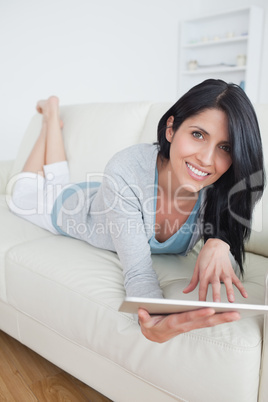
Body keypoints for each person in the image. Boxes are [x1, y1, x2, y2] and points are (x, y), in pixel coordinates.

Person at [9, 79, 265, 343]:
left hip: (112, 194)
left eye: (225, 147)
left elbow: (229, 259)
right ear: (171, 129)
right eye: (198, 134)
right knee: (23, 192)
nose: (207, 159)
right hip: (69, 206)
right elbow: (138, 273)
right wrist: (152, 317)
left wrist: (219, 243)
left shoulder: (218, 188)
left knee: (58, 178)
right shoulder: (127, 166)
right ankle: (50, 118)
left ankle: (51, 118)